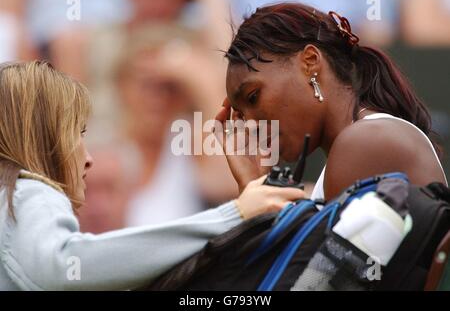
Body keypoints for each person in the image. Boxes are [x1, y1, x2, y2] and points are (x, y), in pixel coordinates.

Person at [0, 61, 305, 290]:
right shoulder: (25, 190)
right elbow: (64, 265)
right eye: (77, 134)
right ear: (39, 137)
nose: (88, 158)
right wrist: (234, 215)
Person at [215, 3, 448, 201]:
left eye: (254, 96)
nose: (250, 126)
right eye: (242, 116)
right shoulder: (358, 143)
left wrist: (258, 205)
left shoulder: (363, 142)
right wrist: (254, 187)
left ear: (310, 62)